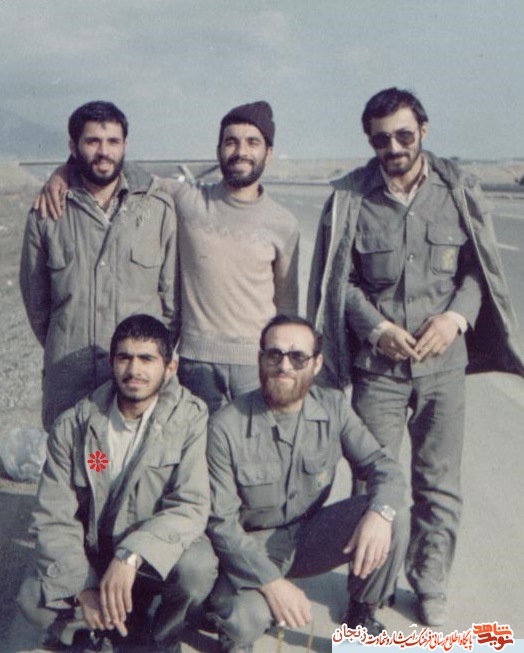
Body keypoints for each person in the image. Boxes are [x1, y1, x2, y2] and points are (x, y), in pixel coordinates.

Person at [307, 87, 524, 626]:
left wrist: (455, 319)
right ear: (370, 141)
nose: (394, 148)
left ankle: (430, 584)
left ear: (423, 130)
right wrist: (376, 328)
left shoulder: (457, 190)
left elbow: (477, 270)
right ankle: (368, 590)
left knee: (438, 483)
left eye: (404, 135)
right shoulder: (352, 198)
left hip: (443, 368)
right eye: (381, 140)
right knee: (372, 485)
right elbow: (340, 282)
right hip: (378, 371)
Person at [36, 100, 299, 414]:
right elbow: (116, 167)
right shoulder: (188, 200)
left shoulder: (284, 224)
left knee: (257, 442)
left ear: (268, 153)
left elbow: (287, 306)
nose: (241, 151)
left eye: (252, 142)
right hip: (195, 366)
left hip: (255, 366)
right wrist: (64, 171)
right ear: (218, 150)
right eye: (231, 142)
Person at [206, 314, 408, 652]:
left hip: (307, 534)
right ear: (260, 359)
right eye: (274, 354)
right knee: (244, 620)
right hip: (251, 544)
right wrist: (272, 583)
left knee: (393, 514)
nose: (284, 366)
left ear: (316, 364)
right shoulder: (226, 426)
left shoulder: (333, 408)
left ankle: (361, 616)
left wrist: (380, 514)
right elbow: (221, 524)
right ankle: (223, 619)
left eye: (297, 357)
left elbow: (382, 465)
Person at [17, 314, 216, 653]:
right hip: (94, 554)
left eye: (146, 359)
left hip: (148, 555)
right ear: (112, 363)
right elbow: (54, 516)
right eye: (125, 357)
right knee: (32, 600)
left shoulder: (189, 418)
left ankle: (160, 637)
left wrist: (130, 556)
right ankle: (96, 626)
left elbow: (191, 504)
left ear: (170, 368)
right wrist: (84, 587)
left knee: (198, 569)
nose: (134, 369)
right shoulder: (74, 426)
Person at [20, 100, 178, 432]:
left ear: (125, 145)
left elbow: (171, 302)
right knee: (84, 458)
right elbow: (37, 303)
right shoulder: (48, 213)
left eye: (113, 141)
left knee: (132, 457)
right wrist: (68, 338)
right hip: (71, 378)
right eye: (92, 141)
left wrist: (149, 357)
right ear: (73, 146)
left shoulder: (157, 210)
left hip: (137, 381)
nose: (104, 152)